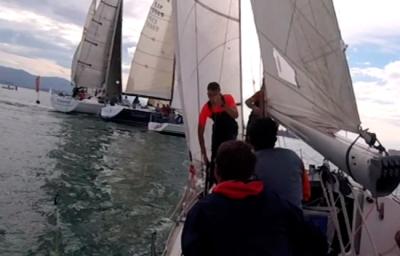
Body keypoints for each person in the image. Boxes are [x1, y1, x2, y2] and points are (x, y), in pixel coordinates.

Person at [182, 140, 327, 256]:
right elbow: (318, 244)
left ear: (216, 172)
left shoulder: (200, 213)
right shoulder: (279, 206)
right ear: (251, 171)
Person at [247, 117, 311, 209]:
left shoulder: (247, 163)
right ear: (275, 139)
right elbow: (306, 195)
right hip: (294, 219)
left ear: (249, 139)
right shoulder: (293, 157)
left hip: (263, 220)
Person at [198, 82, 239, 188]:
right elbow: (200, 131)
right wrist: (203, 152)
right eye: (209, 95)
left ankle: (231, 184)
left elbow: (235, 115)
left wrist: (224, 107)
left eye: (214, 95)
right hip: (218, 134)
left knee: (230, 159)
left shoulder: (228, 99)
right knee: (215, 161)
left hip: (230, 132)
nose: (212, 98)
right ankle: (215, 185)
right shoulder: (207, 108)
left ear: (219, 93)